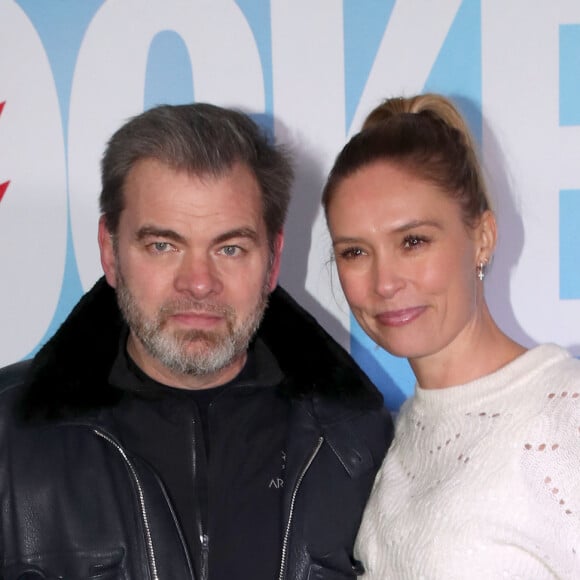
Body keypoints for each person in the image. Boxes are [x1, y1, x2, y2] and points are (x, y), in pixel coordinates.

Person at [0, 103, 393, 580]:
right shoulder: (8, 441)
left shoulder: (359, 444)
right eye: (163, 246)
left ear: (271, 263)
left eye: (230, 248)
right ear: (110, 252)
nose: (199, 282)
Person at [321, 93, 580, 579]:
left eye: (413, 241)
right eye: (355, 252)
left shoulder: (565, 418)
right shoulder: (387, 440)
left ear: (482, 237)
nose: (384, 282)